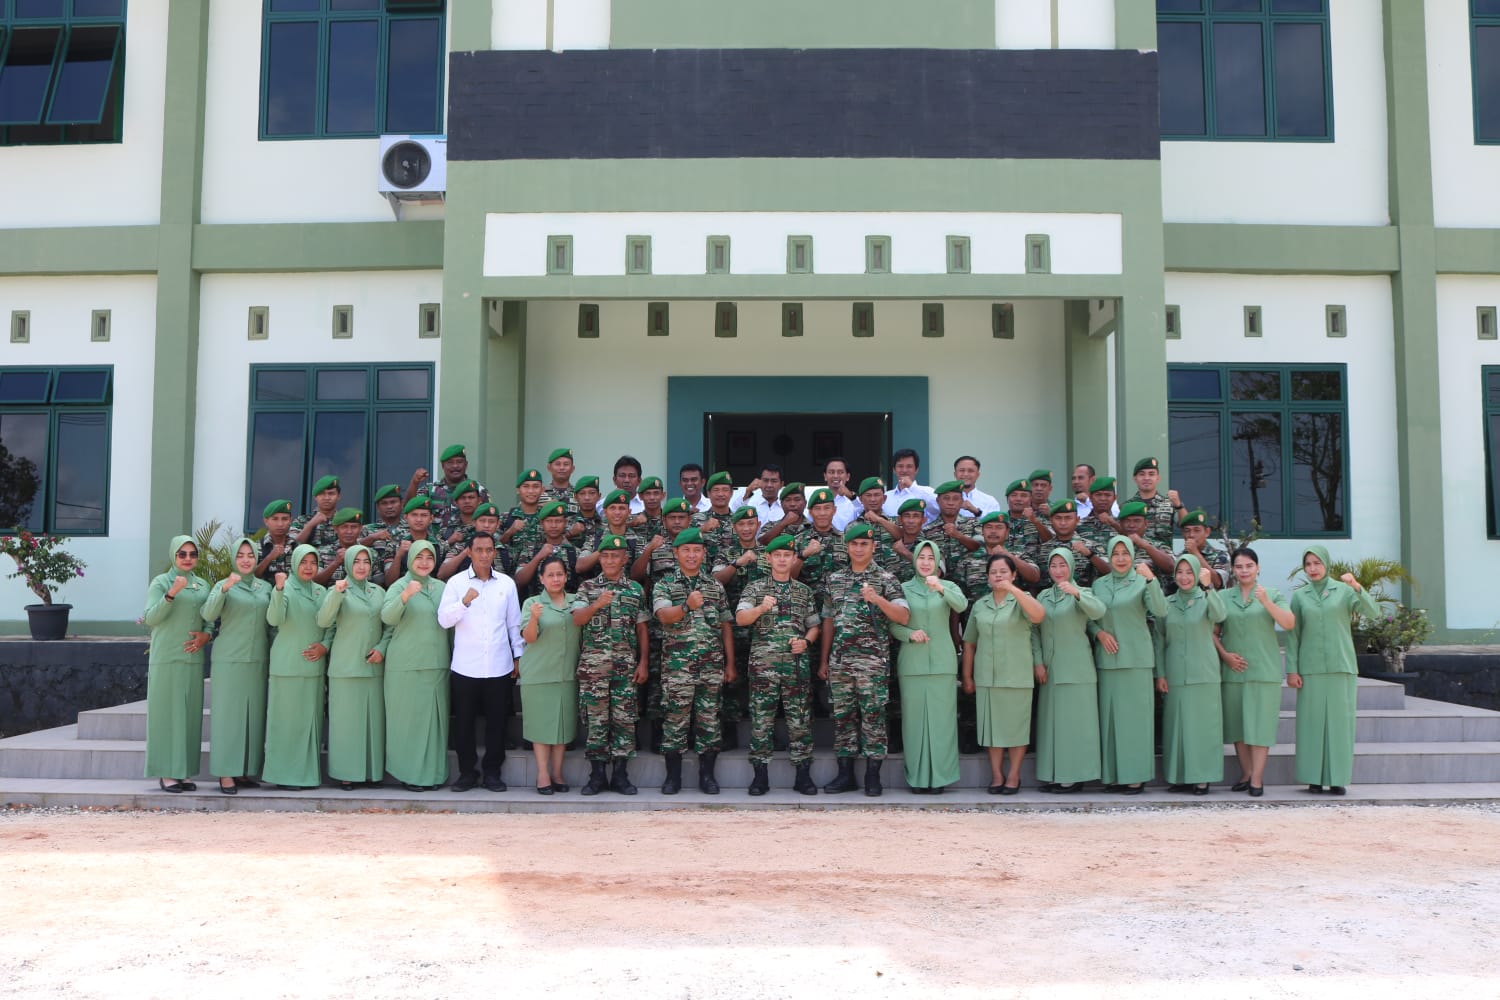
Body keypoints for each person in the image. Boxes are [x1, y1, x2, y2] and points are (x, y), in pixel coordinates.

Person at [818, 522, 911, 796]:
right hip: (841, 662)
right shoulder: (834, 580)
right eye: (854, 544)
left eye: (864, 544)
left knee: (873, 718)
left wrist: (878, 599)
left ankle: (873, 776)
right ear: (847, 547)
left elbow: (904, 617)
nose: (859, 549)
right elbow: (828, 622)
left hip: (872, 663)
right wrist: (824, 660)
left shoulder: (886, 579)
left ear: (873, 547)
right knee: (843, 718)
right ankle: (845, 774)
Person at [1285, 546, 1378, 795]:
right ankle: (1313, 778)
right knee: (1311, 724)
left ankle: (1337, 778)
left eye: (1317, 563)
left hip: (1341, 666)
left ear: (1326, 564)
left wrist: (1357, 586)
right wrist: (1291, 670)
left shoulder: (1344, 591)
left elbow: (1372, 612)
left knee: (1340, 724)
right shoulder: (1300, 596)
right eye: (1308, 564)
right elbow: (1293, 636)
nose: (1313, 569)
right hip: (1310, 668)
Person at [437, 532, 523, 793]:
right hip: (465, 667)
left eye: (489, 550)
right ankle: (466, 773)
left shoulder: (506, 584)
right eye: (479, 550)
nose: (485, 555)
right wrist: (464, 602)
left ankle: (492, 773)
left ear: (494, 552)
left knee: (497, 724)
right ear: (470, 552)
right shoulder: (455, 583)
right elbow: (443, 620)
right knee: (464, 724)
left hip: (499, 665)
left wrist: (518, 656)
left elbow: (514, 624)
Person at [736, 535, 821, 795]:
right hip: (764, 668)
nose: (783, 559)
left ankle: (803, 776)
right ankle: (760, 776)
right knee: (762, 722)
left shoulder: (803, 591)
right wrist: (761, 608)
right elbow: (741, 619)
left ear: (795, 558)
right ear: (769, 558)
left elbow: (814, 625)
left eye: (788, 555)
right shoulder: (755, 588)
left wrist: (806, 642)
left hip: (795, 667)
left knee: (800, 722)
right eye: (778, 555)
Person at [653, 527, 736, 794]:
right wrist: (686, 605)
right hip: (678, 668)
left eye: (697, 550)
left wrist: (730, 664)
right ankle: (672, 777)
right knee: (675, 720)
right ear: (676, 553)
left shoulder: (714, 585)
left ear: (704, 553)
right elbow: (664, 616)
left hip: (711, 666)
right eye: (686, 550)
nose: (692, 555)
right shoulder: (665, 584)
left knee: (709, 721)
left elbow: (725, 625)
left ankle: (707, 777)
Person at [571, 534, 650, 795]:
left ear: (625, 559)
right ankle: (596, 777)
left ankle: (620, 776)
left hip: (625, 668)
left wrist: (643, 663)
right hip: (594, 669)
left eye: (615, 555)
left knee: (624, 722)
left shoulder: (635, 590)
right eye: (604, 555)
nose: (609, 560)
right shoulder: (587, 588)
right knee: (596, 723)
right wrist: (597, 604)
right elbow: (578, 620)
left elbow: (641, 629)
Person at [962, 553, 1046, 794]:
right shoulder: (981, 604)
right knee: (992, 730)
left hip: (1017, 676)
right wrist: (967, 676)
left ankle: (1014, 776)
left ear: (1014, 574)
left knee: (1016, 729)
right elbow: (969, 643)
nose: (998, 575)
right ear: (987, 577)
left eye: (1003, 571)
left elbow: (1039, 615)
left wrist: (1014, 590)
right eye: (993, 572)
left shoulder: (1022, 599)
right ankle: (997, 775)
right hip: (987, 677)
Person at [1089, 535, 1167, 794]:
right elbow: (1088, 616)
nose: (1120, 558)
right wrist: (1099, 633)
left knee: (1135, 721)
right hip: (1108, 661)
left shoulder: (1141, 582)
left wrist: (1151, 579)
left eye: (1125, 553)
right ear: (1109, 557)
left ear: (1133, 555)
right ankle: (1112, 776)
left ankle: (1135, 776)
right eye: (1115, 554)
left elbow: (1160, 610)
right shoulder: (1098, 585)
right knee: (1110, 721)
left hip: (1136, 660)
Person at [888, 540, 967, 794]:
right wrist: (909, 634)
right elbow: (892, 624)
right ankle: (918, 779)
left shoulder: (949, 586)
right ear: (914, 561)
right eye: (921, 557)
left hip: (943, 663)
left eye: (930, 558)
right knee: (914, 724)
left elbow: (961, 606)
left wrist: (941, 587)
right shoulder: (902, 589)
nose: (925, 562)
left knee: (943, 723)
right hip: (912, 664)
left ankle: (941, 778)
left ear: (937, 562)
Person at [1216, 547, 1296, 797]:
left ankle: (1257, 780)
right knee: (1238, 727)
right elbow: (1213, 632)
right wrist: (1225, 655)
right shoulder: (1224, 597)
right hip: (1233, 671)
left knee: (1260, 728)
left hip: (1263, 671)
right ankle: (1246, 773)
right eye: (1239, 567)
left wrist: (1266, 603)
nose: (1244, 571)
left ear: (1258, 568)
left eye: (1249, 566)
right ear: (1233, 570)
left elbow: (1288, 622)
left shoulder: (1270, 594)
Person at [200, 538, 272, 794]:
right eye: (240, 555)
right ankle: (226, 773)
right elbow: (208, 614)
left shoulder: (265, 588)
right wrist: (223, 589)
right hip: (229, 660)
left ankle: (244, 770)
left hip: (257, 660)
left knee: (252, 717)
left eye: (250, 555)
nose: (245, 560)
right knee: (228, 718)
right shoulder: (224, 585)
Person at [1032, 547, 1107, 792]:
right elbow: (1033, 630)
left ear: (1071, 567)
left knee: (1076, 726)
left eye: (1062, 565)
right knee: (1053, 725)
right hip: (1051, 670)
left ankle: (1076, 776)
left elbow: (1098, 612)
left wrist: (1076, 594)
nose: (1058, 570)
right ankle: (1055, 774)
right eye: (1053, 566)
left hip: (1076, 670)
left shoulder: (1083, 592)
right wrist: (1038, 661)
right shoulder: (1043, 596)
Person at [318, 546, 392, 791]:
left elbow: (390, 625)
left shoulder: (379, 592)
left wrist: (382, 647)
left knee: (372, 722)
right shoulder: (337, 590)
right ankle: (346, 773)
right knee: (346, 724)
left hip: (373, 667)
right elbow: (324, 621)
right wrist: (337, 594)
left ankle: (371, 772)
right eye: (357, 561)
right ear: (348, 564)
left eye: (366, 561)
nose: (361, 566)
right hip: (345, 668)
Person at [381, 540, 451, 791]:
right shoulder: (400, 585)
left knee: (434, 724)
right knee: (407, 723)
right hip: (406, 666)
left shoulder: (442, 587)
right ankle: (409, 775)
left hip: (436, 665)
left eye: (429, 558)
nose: (424, 562)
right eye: (419, 557)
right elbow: (387, 617)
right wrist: (405, 595)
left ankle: (432, 776)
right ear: (410, 559)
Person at [143, 535, 212, 793]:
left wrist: (207, 634)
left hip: (192, 658)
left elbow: (209, 615)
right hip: (167, 658)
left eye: (192, 554)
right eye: (182, 554)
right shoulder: (161, 582)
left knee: (189, 715)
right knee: (167, 714)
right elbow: (151, 617)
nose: (187, 559)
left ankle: (183, 772)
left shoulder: (202, 585)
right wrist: (172, 593)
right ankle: (167, 773)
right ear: (174, 556)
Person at [1155, 553, 1228, 795]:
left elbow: (1220, 616)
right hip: (1175, 673)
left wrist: (1208, 587)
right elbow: (1160, 640)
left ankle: (1202, 778)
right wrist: (1161, 674)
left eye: (1189, 572)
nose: (1184, 577)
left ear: (1197, 574)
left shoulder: (1207, 597)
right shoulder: (1167, 603)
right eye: (1180, 572)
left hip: (1203, 672)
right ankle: (1179, 777)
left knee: (1203, 727)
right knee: (1177, 727)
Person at [263, 545, 332, 790]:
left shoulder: (321, 592)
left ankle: (306, 776)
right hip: (286, 666)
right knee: (285, 723)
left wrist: (324, 645)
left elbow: (331, 625)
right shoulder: (284, 588)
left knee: (308, 723)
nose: (308, 567)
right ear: (294, 564)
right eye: (303, 562)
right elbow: (274, 619)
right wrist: (279, 589)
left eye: (313, 562)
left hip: (313, 667)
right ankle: (282, 775)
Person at [519, 556, 582, 795]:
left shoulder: (576, 602)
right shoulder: (532, 603)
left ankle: (557, 773)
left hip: (567, 674)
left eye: (560, 574)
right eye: (551, 575)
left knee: (562, 727)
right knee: (541, 727)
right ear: (541, 579)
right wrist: (534, 617)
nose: (556, 579)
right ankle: (542, 775)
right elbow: (529, 637)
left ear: (566, 577)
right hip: (539, 674)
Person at [956, 512, 1039, 599]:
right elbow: (958, 594)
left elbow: (1034, 577)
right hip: (977, 611)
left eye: (999, 527)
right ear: (982, 531)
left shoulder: (1018, 556)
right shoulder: (968, 560)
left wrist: (1008, 556)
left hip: (1009, 610)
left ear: (1007, 532)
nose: (993, 531)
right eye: (989, 527)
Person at [408, 443, 490, 527]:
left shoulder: (479, 490)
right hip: (435, 539)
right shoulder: (430, 490)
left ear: (466, 465)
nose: (455, 466)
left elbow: (488, 518)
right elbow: (409, 508)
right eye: (450, 462)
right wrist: (414, 482)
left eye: (459, 462)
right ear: (443, 466)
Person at [1126, 457, 1182, 552]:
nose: (1146, 478)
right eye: (1142, 474)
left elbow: (1186, 525)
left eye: (1151, 474)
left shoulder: (1168, 504)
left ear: (1158, 478)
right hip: (1137, 561)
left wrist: (1179, 505)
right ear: (1135, 478)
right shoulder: (1126, 507)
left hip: (1164, 561)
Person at [882, 448, 938, 523]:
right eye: (900, 466)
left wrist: (911, 487)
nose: (904, 470)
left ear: (916, 470)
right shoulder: (886, 496)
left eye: (909, 466)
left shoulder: (928, 492)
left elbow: (939, 508)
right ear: (894, 470)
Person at [1179, 509, 1229, 590]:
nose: (1191, 535)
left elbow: (1218, 582)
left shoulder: (1220, 555)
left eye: (1197, 530)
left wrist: (1195, 553)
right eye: (1187, 531)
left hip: (1210, 601)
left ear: (1207, 532)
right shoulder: (1179, 557)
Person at [293, 475, 342, 549]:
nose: (327, 498)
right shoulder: (301, 521)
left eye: (331, 493)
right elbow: (292, 547)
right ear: (315, 497)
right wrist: (310, 525)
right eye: (322, 494)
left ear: (338, 496)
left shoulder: (345, 522)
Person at [255, 499, 295, 582]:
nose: (280, 524)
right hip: (264, 593)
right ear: (266, 521)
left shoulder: (297, 547)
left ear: (290, 521)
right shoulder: (256, 547)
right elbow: (251, 577)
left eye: (284, 519)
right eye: (275, 519)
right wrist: (269, 558)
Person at [817, 456, 860, 531]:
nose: (835, 476)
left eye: (840, 472)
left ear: (848, 477)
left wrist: (850, 496)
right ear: (825, 476)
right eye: (831, 472)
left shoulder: (855, 501)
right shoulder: (817, 500)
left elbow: (865, 512)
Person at [953, 455, 1000, 519]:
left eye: (970, 471)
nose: (966, 474)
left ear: (978, 475)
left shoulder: (990, 501)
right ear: (955, 474)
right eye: (962, 470)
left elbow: (995, 524)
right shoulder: (944, 500)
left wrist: (977, 511)